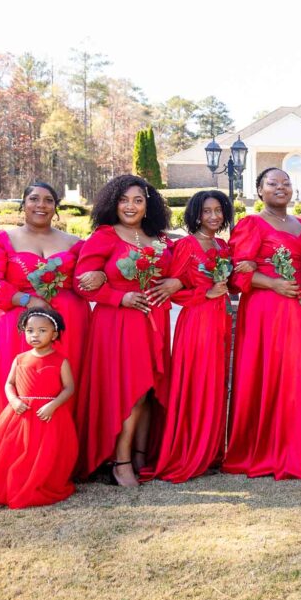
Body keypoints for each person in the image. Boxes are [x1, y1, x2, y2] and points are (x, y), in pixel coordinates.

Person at [0, 182, 98, 471]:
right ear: (23, 204)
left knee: (64, 385)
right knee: (18, 388)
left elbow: (85, 281)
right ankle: (10, 462)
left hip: (69, 326)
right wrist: (28, 299)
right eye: (34, 199)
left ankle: (60, 463)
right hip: (15, 323)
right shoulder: (0, 240)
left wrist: (97, 278)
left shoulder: (76, 245)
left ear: (56, 207)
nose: (41, 205)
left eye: (49, 200)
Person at [74, 175, 181, 486]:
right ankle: (119, 463)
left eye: (138, 200)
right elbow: (82, 283)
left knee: (149, 391)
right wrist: (118, 296)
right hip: (118, 323)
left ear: (148, 205)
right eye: (124, 200)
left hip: (155, 322)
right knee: (131, 392)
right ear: (113, 203)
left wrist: (177, 282)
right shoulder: (105, 236)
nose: (130, 206)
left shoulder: (160, 239)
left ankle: (140, 456)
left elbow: (180, 271)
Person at [147, 190, 253, 483]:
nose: (213, 216)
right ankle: (187, 452)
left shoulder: (222, 245)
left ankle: (210, 453)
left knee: (218, 384)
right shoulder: (187, 246)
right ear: (195, 214)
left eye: (218, 210)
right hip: (196, 322)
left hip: (220, 319)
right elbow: (174, 289)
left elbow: (230, 286)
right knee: (197, 383)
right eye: (206, 211)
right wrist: (203, 293)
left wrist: (246, 267)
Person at [223, 168, 301, 480]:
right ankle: (264, 448)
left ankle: (295, 445)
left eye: (286, 183)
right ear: (259, 190)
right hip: (267, 309)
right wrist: (273, 283)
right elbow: (237, 273)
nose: (281, 187)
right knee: (270, 371)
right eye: (273, 183)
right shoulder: (252, 224)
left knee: (298, 373)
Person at [0, 309, 77, 508]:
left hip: (48, 415)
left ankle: (39, 481)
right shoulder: (20, 359)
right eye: (30, 330)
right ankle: (14, 482)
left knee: (44, 451)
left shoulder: (60, 360)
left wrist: (52, 405)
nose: (35, 335)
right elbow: (9, 383)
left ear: (54, 334)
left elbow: (69, 388)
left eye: (41, 331)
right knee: (17, 449)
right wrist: (13, 401)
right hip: (21, 413)